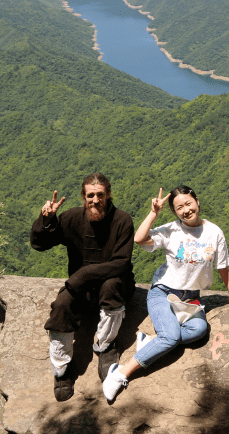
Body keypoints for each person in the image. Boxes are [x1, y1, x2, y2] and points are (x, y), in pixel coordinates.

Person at [103, 185, 229, 401]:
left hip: (190, 298)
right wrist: (153, 213)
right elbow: (139, 239)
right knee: (171, 336)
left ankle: (151, 342)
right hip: (163, 293)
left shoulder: (214, 232)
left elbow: (222, 266)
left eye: (188, 204)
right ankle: (119, 373)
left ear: (197, 202)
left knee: (199, 330)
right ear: (175, 212)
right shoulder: (171, 230)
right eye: (179, 208)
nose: (186, 210)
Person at [31, 172, 135, 402]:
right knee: (61, 306)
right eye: (90, 195)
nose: (95, 200)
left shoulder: (122, 220)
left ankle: (106, 345)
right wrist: (45, 219)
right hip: (82, 289)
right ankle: (62, 369)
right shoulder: (71, 218)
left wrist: (83, 275)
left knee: (110, 286)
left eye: (100, 195)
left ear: (108, 195)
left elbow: (121, 263)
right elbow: (39, 244)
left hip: (114, 284)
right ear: (83, 196)